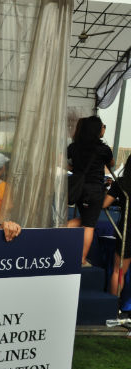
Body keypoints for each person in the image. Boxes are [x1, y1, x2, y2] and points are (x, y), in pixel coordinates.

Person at [67, 115, 114, 266]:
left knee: (87, 218)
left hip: (78, 189)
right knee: (89, 226)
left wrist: (75, 169)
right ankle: (81, 259)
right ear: (97, 130)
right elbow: (112, 163)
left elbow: (64, 160)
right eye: (102, 126)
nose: (104, 129)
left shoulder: (74, 147)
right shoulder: (103, 149)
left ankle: (63, 227)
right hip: (94, 190)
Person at [102, 154, 131, 300]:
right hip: (126, 230)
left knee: (118, 271)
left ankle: (113, 307)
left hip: (127, 230)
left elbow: (104, 204)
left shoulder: (122, 183)